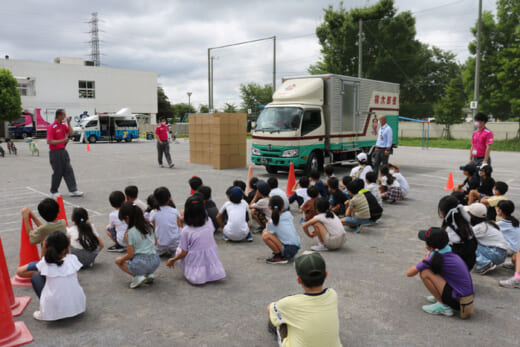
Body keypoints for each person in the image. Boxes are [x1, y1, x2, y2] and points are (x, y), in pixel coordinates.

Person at [267, 252, 342, 346]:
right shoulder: (332, 294)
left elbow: (269, 308)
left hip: (287, 305)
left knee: (277, 315)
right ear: (326, 274)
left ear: (299, 280)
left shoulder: (288, 303)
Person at [406, 227, 474, 318]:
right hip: (466, 297)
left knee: (425, 272)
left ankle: (444, 306)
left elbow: (409, 273)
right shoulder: (448, 249)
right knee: (433, 269)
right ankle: (440, 295)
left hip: (459, 301)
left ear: (429, 245)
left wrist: (424, 259)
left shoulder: (434, 257)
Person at [166, 194, 226, 285]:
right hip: (210, 255)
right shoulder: (208, 221)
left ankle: (194, 270)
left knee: (179, 249)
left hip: (195, 259)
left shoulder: (186, 231)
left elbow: (183, 253)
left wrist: (173, 259)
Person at [31, 231, 86, 321]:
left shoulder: (45, 262)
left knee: (36, 277)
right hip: (78, 306)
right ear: (66, 247)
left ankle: (45, 312)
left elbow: (41, 270)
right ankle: (67, 305)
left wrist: (44, 249)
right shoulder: (72, 259)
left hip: (54, 311)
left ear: (47, 247)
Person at [15, 198, 67, 279]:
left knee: (20, 272)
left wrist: (26, 218)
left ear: (42, 215)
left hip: (49, 261)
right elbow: (45, 228)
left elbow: (31, 237)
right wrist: (32, 216)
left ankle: (45, 273)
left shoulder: (44, 229)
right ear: (58, 210)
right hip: (63, 258)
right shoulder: (63, 223)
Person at [115, 201, 160, 289]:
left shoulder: (130, 233)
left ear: (127, 218)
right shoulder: (149, 226)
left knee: (118, 260)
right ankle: (149, 274)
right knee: (142, 260)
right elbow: (156, 242)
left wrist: (121, 259)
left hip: (140, 263)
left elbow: (130, 254)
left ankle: (138, 276)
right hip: (155, 261)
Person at [47, 109, 83, 197]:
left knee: (68, 170)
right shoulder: (52, 126)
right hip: (55, 153)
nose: (65, 117)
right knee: (58, 172)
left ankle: (73, 190)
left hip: (63, 151)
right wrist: (62, 140)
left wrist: (69, 123)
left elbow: (71, 133)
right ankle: (54, 191)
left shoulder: (63, 126)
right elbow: (49, 141)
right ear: (59, 116)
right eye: (63, 115)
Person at [466, 203, 508, 274]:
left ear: (472, 216)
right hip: (500, 253)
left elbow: (464, 238)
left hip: (496, 253)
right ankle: (485, 261)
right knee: (472, 242)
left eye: (468, 213)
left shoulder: (480, 227)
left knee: (469, 244)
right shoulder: (486, 224)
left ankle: (485, 264)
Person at [438, 196, 477, 270]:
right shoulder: (466, 222)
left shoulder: (449, 229)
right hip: (469, 262)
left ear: (443, 211)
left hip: (457, 264)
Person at [262, 196, 301, 264]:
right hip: (296, 246)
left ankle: (278, 257)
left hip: (289, 249)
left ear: (269, 207)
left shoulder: (271, 222)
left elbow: (269, 232)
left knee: (265, 234)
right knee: (269, 232)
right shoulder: (288, 214)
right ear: (283, 206)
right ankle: (281, 252)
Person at [150, 186, 182, 256]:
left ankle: (163, 251)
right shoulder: (174, 211)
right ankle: (174, 252)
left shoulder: (153, 212)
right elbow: (179, 227)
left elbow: (155, 229)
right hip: (175, 243)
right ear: (169, 198)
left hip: (160, 244)